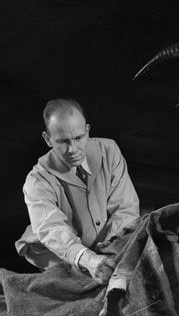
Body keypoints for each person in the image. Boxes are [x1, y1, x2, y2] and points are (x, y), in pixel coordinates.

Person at [15, 98, 140, 284]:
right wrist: (88, 259)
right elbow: (52, 229)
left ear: (87, 131)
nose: (73, 149)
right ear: (48, 139)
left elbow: (125, 208)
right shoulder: (37, 180)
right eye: (63, 141)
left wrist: (111, 251)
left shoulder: (110, 151)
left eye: (78, 138)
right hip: (56, 250)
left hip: (107, 242)